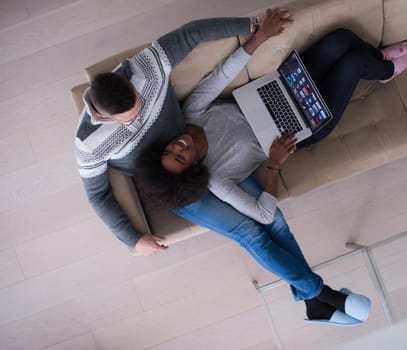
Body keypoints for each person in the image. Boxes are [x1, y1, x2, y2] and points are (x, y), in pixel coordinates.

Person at [134, 10, 407, 325]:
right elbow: (265, 216)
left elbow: (221, 76)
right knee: (352, 65)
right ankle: (385, 69)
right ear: (193, 168)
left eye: (170, 148)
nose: (179, 145)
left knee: (341, 39)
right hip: (298, 129)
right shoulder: (217, 180)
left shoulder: (191, 114)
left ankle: (315, 302)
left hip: (279, 89)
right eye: (180, 157)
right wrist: (274, 165)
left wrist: (259, 38)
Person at [75, 12, 275, 256]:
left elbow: (192, 32)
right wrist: (133, 239)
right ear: (108, 117)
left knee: (276, 223)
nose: (142, 113)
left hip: (196, 142)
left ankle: (314, 290)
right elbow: (97, 195)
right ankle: (315, 291)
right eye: (132, 117)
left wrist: (253, 24)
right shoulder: (90, 145)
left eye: (140, 101)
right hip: (170, 182)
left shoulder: (145, 69)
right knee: (249, 232)